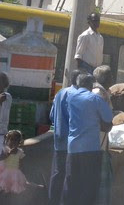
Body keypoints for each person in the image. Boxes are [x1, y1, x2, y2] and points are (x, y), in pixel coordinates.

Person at [62, 74, 113, 205]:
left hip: (72, 148)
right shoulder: (95, 99)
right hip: (90, 149)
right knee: (88, 187)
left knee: (71, 185)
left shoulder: (70, 97)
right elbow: (108, 121)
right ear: (91, 85)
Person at [48, 69, 81, 205]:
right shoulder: (77, 95)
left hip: (58, 139)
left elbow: (51, 116)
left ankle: (51, 201)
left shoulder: (61, 92)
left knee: (57, 173)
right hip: (71, 141)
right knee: (69, 176)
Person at [92, 65, 114, 205]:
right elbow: (99, 119)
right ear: (105, 78)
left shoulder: (102, 92)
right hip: (98, 143)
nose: (112, 78)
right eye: (110, 75)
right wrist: (108, 125)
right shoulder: (99, 93)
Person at [0, 130, 28, 196]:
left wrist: (21, 170)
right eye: (11, 140)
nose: (13, 142)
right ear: (7, 140)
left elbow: (21, 163)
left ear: (19, 142)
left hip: (14, 174)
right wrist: (9, 153)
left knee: (10, 191)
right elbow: (1, 158)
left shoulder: (20, 152)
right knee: (0, 189)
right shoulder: (5, 149)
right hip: (4, 172)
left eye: (16, 140)